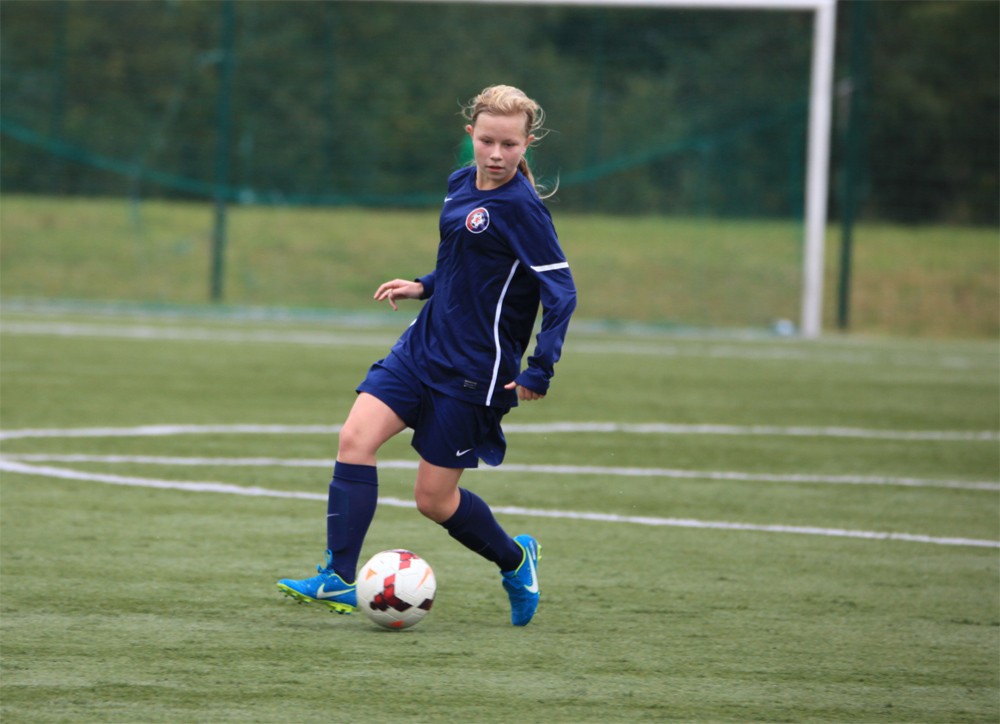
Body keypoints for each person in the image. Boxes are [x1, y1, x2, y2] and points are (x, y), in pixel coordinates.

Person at [277, 85, 576, 627]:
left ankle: (515, 559)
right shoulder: (461, 183)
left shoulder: (523, 210)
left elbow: (561, 291)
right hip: (422, 347)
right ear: (470, 135)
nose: (496, 154)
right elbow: (466, 264)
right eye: (487, 141)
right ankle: (338, 576)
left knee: (434, 501)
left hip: (474, 369)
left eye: (509, 145)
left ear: (527, 144)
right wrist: (424, 285)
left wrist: (541, 367)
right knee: (354, 439)